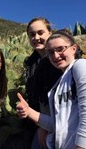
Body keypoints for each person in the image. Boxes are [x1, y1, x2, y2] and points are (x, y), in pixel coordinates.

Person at [16, 30, 86, 149]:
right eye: (50, 52)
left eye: (60, 49)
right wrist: (29, 111)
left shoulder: (82, 66)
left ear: (73, 48)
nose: (55, 55)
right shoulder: (58, 85)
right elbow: (57, 125)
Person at [22, 17, 62, 149]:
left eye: (40, 32)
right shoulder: (32, 63)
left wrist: (43, 127)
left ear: (50, 33)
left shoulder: (60, 59)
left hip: (63, 120)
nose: (36, 37)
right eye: (32, 35)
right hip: (41, 120)